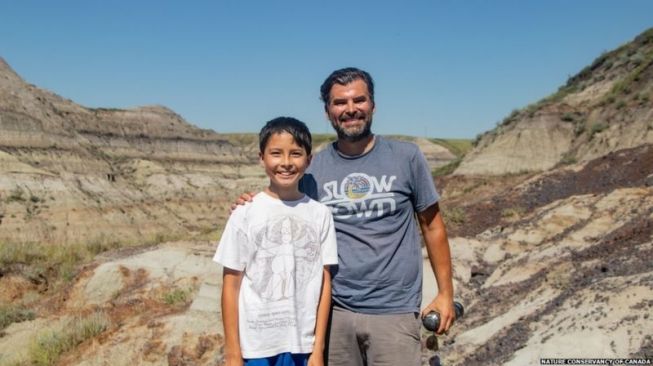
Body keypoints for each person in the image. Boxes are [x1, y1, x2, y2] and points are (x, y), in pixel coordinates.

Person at [236, 67, 455, 366]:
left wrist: (445, 292)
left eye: (359, 100)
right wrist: (249, 203)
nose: (350, 109)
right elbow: (283, 201)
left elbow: (433, 227)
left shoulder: (407, 157)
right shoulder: (314, 169)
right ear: (328, 111)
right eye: (340, 103)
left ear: (373, 105)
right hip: (334, 314)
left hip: (394, 312)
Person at [215, 117, 338, 366]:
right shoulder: (245, 213)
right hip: (256, 347)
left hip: (302, 346)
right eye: (276, 153)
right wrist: (232, 352)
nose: (285, 163)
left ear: (308, 159)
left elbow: (325, 282)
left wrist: (318, 349)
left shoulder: (320, 214)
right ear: (262, 158)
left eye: (295, 154)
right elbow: (231, 285)